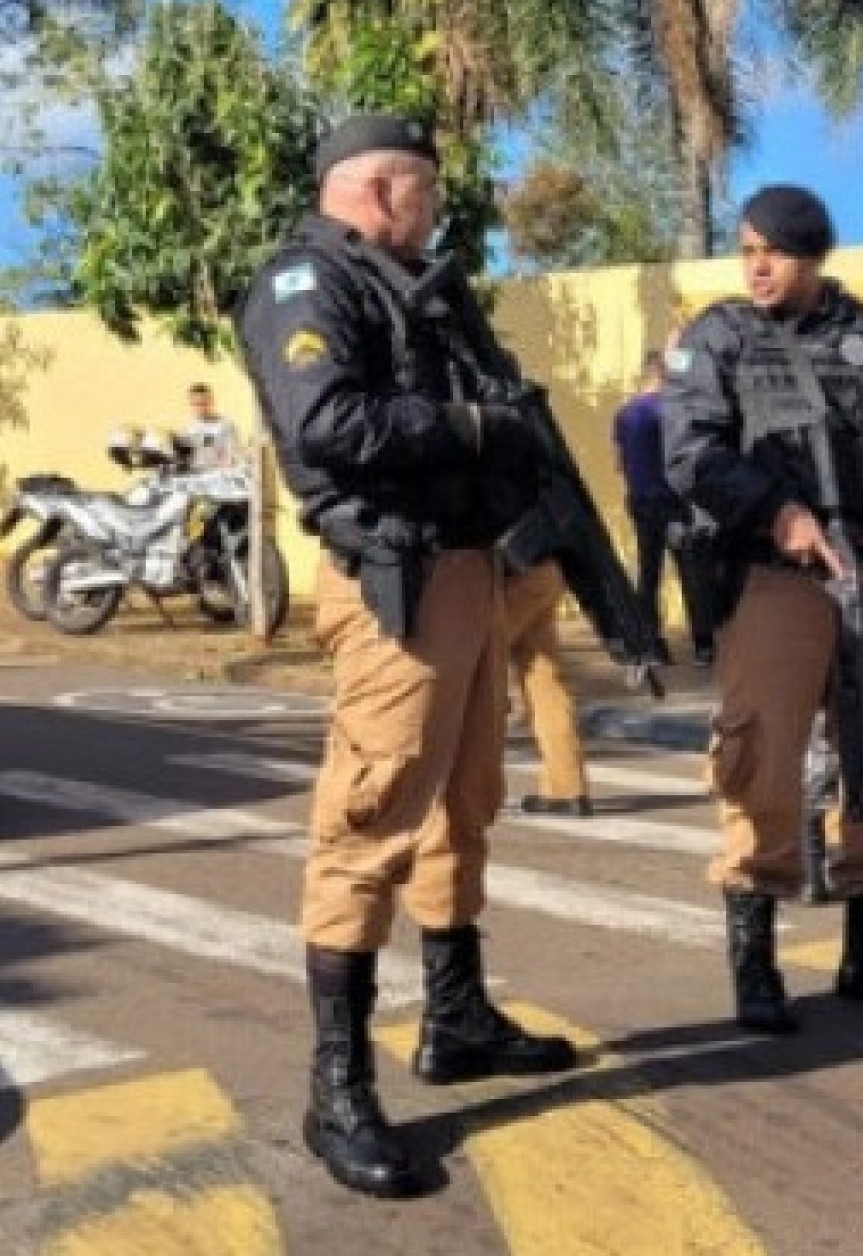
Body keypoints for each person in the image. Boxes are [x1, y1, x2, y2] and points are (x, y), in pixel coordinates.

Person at [237, 114, 575, 1200]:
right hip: (396, 583)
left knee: (463, 801)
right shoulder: (307, 284)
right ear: (380, 188)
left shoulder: (414, 285)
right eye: (422, 188)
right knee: (370, 819)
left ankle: (457, 1014)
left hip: (469, 574)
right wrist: (473, 428)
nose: (434, 205)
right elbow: (330, 421)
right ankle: (335, 1088)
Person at [663, 183, 863, 1034]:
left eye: (775, 253)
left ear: (813, 257)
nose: (756, 267)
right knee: (760, 760)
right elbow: (690, 452)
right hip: (774, 579)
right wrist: (776, 512)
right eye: (747, 249)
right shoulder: (721, 338)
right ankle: (754, 965)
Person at [614, 349, 716, 665]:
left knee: (648, 573)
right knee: (691, 572)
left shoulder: (624, 413)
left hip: (640, 501)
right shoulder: (670, 411)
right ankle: (703, 644)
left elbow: (619, 463)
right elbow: (683, 456)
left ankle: (651, 645)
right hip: (673, 502)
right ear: (663, 374)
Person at [503, 557, 592, 817]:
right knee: (544, 677)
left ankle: (465, 794)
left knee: (475, 671)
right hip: (546, 569)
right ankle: (566, 787)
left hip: (505, 574)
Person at [183, 382, 242, 469]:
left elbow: (232, 456)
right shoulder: (189, 428)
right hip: (197, 475)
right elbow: (187, 458)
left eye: (203, 403)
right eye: (196, 404)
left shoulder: (226, 426)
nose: (200, 408)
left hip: (220, 475)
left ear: (211, 402)